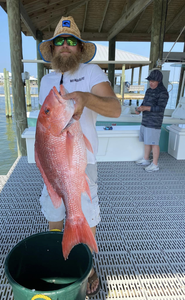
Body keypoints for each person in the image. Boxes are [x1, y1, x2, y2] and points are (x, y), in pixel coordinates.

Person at [38, 16, 121, 296]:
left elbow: (115, 108)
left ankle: (86, 267)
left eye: (70, 41)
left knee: (86, 215)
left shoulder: (92, 72)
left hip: (80, 163)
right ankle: (57, 258)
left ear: (79, 47)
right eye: (59, 41)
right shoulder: (46, 79)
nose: (64, 46)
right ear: (52, 48)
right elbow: (45, 126)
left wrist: (85, 98)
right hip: (53, 164)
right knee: (53, 212)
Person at [135, 69, 169, 172]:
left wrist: (145, 108)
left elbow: (160, 108)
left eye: (153, 81)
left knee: (154, 143)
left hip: (154, 122)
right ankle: (145, 159)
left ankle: (155, 164)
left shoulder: (163, 92)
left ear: (159, 81)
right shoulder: (149, 90)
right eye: (150, 81)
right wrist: (139, 109)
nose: (151, 83)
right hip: (145, 120)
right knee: (147, 141)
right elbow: (145, 102)